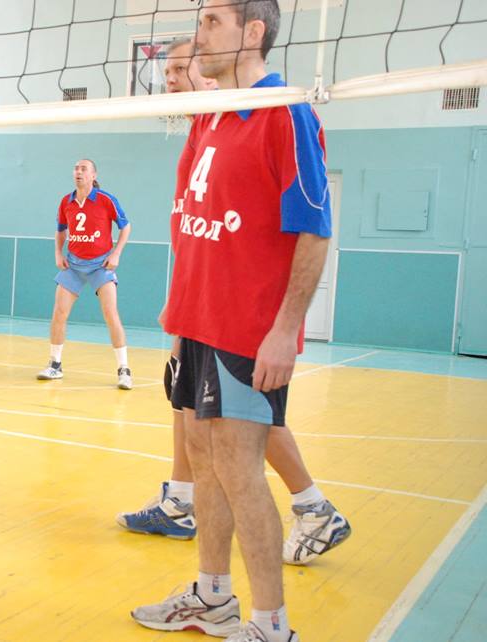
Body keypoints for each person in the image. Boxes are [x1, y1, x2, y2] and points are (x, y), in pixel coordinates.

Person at [131, 3, 331, 641]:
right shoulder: (212, 117)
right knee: (201, 453)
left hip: (247, 327)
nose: (199, 33)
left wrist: (285, 329)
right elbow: (196, 223)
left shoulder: (289, 113)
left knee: (240, 466)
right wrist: (178, 317)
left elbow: (315, 229)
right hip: (197, 321)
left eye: (213, 20)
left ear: (253, 32)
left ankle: (271, 624)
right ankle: (212, 596)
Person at [36, 159, 133, 390]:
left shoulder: (105, 199)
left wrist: (116, 253)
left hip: (101, 266)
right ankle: (55, 365)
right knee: (59, 312)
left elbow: (126, 226)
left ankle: (124, 370)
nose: (79, 172)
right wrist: (58, 253)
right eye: (76, 168)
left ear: (93, 175)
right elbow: (60, 230)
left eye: (84, 169)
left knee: (111, 314)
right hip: (74, 266)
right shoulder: (66, 201)